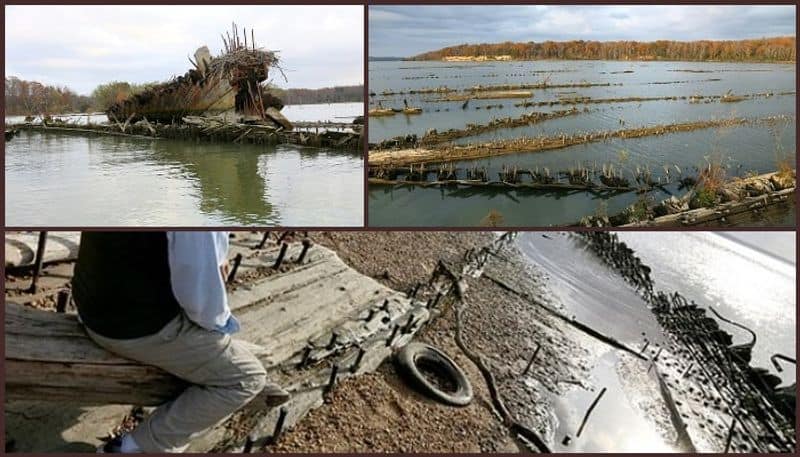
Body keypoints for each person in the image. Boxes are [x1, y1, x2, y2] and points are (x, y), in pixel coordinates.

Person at [70, 231, 289, 453]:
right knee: (245, 377)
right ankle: (136, 447)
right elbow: (200, 295)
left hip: (91, 303)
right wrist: (219, 327)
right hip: (131, 328)